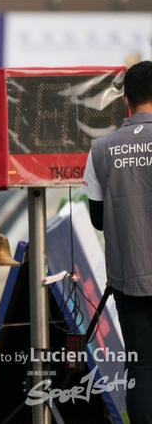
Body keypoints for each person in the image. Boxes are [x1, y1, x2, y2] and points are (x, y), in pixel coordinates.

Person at [81, 60, 152, 424]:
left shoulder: (101, 150)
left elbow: (97, 219)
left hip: (129, 279)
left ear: (126, 101)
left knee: (140, 369)